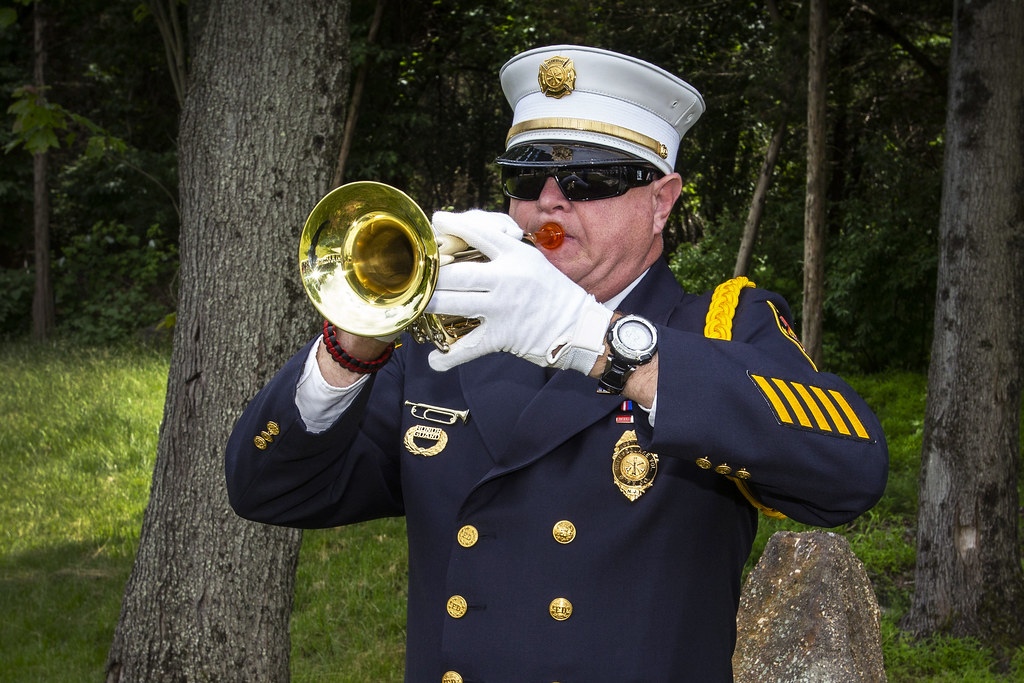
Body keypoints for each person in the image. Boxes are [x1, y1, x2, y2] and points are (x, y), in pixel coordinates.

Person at [226, 44, 888, 682]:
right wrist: (353, 343)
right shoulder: (444, 340)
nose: (549, 200)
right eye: (525, 176)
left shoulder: (719, 327)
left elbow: (850, 470)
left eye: (589, 178)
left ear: (662, 202)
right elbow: (272, 488)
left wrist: (603, 341)